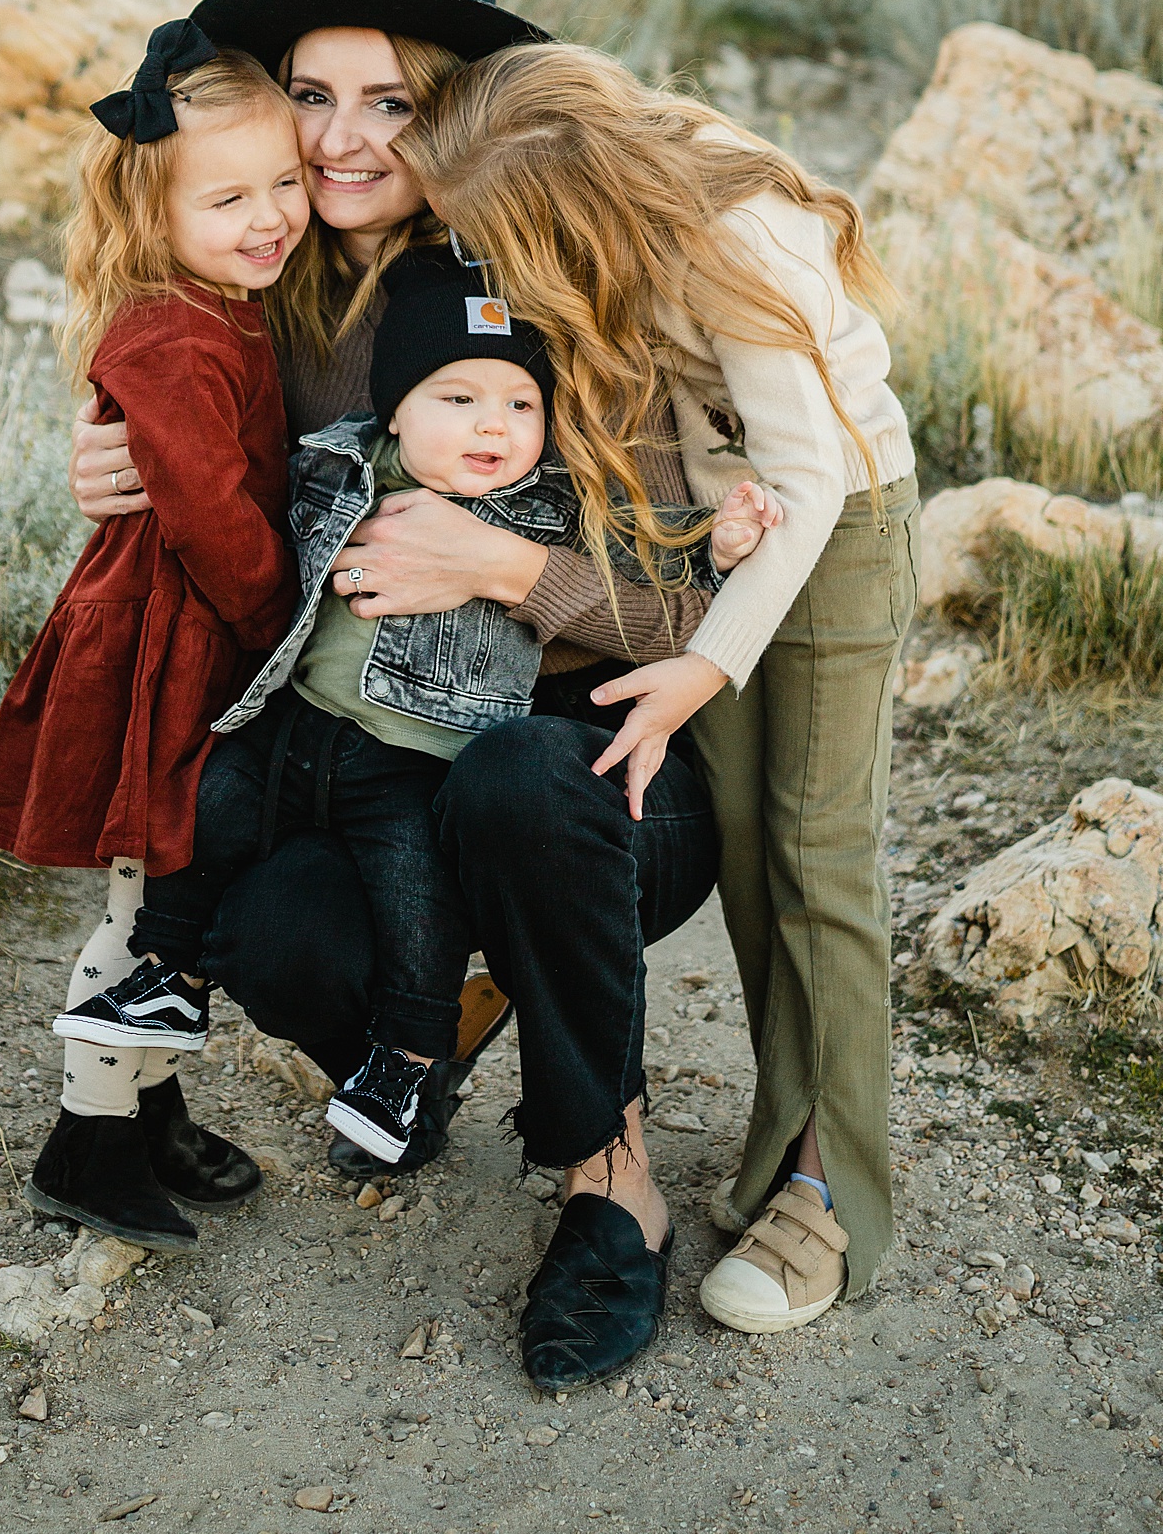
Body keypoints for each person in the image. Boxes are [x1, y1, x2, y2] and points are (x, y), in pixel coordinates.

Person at [66, 0, 730, 1389]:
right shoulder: (276, 291)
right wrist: (112, 451)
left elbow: (696, 624)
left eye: (392, 101)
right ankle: (441, 1022)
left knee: (511, 778)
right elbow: (161, 376)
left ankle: (611, 1183)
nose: (343, 141)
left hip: (602, 782)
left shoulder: (551, 296)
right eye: (312, 94)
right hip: (379, 771)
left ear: (462, 111)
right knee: (274, 930)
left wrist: (508, 564)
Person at [400, 39, 919, 1336]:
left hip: (836, 530)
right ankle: (779, 1141)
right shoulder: (620, 236)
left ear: (569, 207)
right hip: (731, 538)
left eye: (505, 244)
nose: (500, 274)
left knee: (819, 857)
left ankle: (835, 1191)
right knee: (752, 854)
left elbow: (808, 478)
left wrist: (703, 661)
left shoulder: (738, 235)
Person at [66, 255, 775, 1164]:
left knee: (413, 902)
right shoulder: (336, 459)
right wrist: (123, 451)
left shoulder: (551, 504)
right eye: (459, 400)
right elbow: (225, 489)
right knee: (210, 810)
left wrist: (716, 547)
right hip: (304, 731)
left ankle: (413, 1056)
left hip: (432, 760)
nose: (495, 424)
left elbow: (655, 575)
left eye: (521, 405)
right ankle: (169, 976)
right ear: (395, 408)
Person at [0, 28, 307, 1252]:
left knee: (175, 884)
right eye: (229, 197)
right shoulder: (168, 334)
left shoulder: (224, 301)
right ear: (151, 211)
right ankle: (86, 1140)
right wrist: (285, 630)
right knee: (147, 903)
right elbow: (214, 520)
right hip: (173, 640)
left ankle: (149, 1106)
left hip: (190, 631)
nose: (270, 218)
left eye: (285, 184)